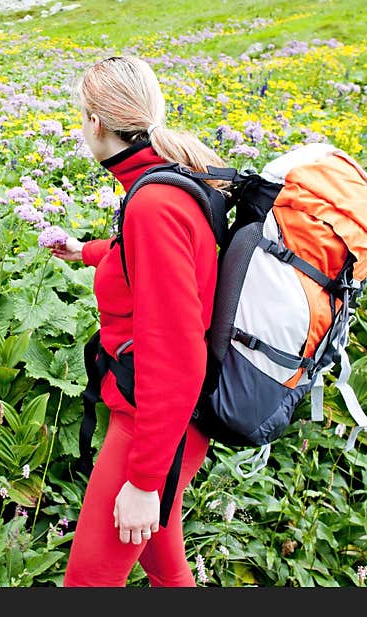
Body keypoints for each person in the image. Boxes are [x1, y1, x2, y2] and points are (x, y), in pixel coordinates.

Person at [47, 55, 228, 587]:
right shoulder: (165, 181)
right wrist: (86, 251)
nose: (81, 127)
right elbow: (147, 261)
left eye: (82, 116)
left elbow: (177, 355)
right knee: (161, 562)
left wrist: (145, 481)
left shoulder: (152, 205)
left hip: (153, 425)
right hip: (168, 422)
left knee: (89, 583)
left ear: (97, 124)